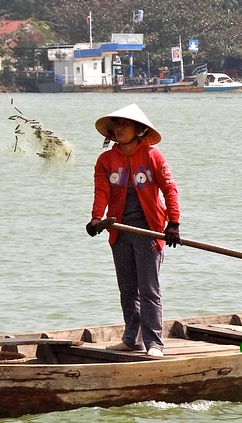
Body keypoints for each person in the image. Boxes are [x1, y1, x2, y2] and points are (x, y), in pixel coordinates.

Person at [86, 103, 181, 357]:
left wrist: (173, 223)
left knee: (149, 290)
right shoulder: (106, 160)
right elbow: (102, 191)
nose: (118, 130)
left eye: (124, 125)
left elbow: (169, 189)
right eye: (115, 125)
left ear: (138, 130)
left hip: (149, 231)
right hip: (119, 231)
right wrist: (96, 219)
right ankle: (132, 339)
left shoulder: (152, 156)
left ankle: (154, 343)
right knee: (127, 289)